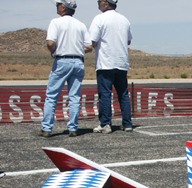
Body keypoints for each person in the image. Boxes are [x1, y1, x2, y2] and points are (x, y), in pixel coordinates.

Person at [40, 0, 92, 138]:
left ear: (63, 7)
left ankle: (47, 128)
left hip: (62, 61)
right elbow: (89, 46)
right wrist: (76, 48)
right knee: (74, 96)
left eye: (58, 4)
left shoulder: (55, 22)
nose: (57, 6)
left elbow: (50, 42)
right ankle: (73, 128)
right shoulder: (80, 25)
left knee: (52, 96)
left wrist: (54, 51)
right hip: (78, 62)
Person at [89, 0, 133, 133]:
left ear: (106, 4)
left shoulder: (99, 18)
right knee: (123, 94)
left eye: (100, 1)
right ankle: (127, 123)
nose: (98, 3)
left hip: (106, 62)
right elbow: (128, 40)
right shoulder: (124, 20)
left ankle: (105, 123)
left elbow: (92, 40)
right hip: (121, 62)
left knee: (105, 94)